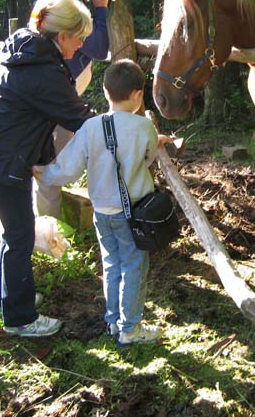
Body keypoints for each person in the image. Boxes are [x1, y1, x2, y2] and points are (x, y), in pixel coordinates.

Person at [0, 0, 96, 338]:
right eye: (80, 37)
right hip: (3, 161)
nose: (81, 45)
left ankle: (6, 301)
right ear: (62, 35)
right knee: (21, 235)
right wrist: (123, 125)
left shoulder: (26, 51)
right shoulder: (42, 71)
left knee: (16, 232)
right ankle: (20, 318)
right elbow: (78, 117)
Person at [36, 60, 169, 346]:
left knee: (111, 263)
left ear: (106, 91)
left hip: (101, 212)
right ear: (137, 94)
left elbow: (69, 168)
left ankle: (112, 321)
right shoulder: (143, 126)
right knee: (133, 265)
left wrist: (44, 172)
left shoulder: (90, 127)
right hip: (131, 213)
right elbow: (148, 158)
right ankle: (130, 328)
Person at [31, 0, 112, 218]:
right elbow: (99, 48)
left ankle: (48, 222)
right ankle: (49, 228)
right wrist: (101, 10)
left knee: (53, 157)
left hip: (54, 90)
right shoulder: (66, 3)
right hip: (56, 94)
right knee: (51, 160)